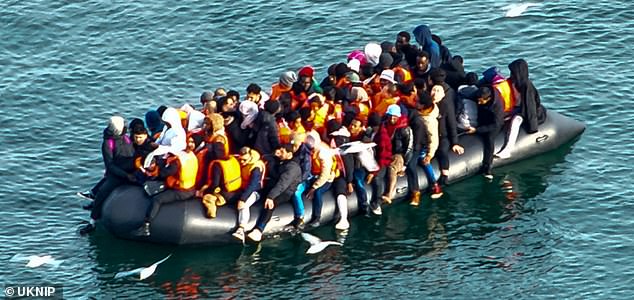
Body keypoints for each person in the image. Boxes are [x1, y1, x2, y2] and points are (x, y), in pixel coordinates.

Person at [134, 135, 199, 236]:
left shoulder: (177, 161)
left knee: (157, 199)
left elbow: (164, 174)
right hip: (191, 188)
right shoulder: (191, 155)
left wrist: (153, 172)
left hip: (181, 191)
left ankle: (146, 226)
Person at [247, 144, 302, 242]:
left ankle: (259, 229)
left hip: (285, 191)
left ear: (289, 154)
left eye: (282, 152)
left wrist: (271, 196)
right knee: (258, 192)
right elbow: (265, 157)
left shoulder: (292, 168)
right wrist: (274, 155)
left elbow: (283, 184)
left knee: (270, 204)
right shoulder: (280, 161)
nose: (279, 153)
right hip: (273, 185)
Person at [429, 69, 464, 186]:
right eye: (433, 92)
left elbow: (452, 124)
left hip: (442, 136)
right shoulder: (428, 105)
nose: (434, 94)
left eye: (437, 92)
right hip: (430, 136)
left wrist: (455, 142)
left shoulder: (446, 106)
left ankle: (445, 174)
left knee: (442, 151)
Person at [465, 87, 504, 179]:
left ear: (488, 99)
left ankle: (488, 166)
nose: (478, 103)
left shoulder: (497, 107)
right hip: (482, 117)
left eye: (481, 101)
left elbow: (496, 124)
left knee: (489, 139)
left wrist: (477, 130)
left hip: (493, 123)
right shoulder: (479, 94)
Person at [230, 147, 266, 243]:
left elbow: (253, 185)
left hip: (255, 192)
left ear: (250, 157)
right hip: (241, 189)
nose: (242, 162)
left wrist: (243, 199)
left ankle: (241, 229)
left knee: (244, 205)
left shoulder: (256, 168)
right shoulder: (239, 160)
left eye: (244, 160)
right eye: (240, 160)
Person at [303, 131, 338, 227]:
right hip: (314, 175)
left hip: (327, 179)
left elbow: (325, 174)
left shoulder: (323, 153)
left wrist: (314, 187)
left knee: (318, 192)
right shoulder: (311, 149)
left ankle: (317, 217)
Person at [380, 104, 413, 205]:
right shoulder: (384, 125)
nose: (392, 118)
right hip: (386, 152)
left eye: (394, 116)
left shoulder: (405, 129)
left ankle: (389, 194)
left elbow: (409, 147)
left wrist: (405, 165)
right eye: (390, 116)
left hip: (398, 154)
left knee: (392, 168)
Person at [414, 92, 443, 203]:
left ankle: (435, 185)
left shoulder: (429, 121)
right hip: (418, 139)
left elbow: (434, 139)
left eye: (418, 102)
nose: (415, 103)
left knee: (424, 161)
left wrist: (430, 154)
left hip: (424, 145)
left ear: (423, 106)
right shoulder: (421, 112)